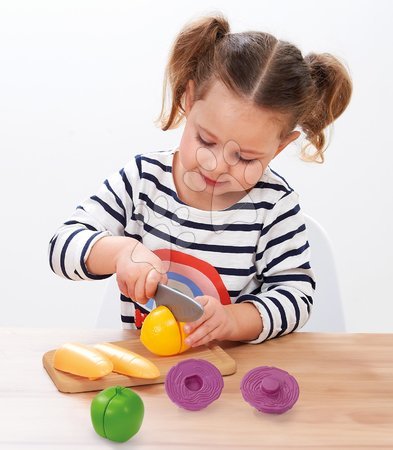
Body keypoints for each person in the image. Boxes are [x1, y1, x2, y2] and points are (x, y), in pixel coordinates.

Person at [49, 14, 352, 347]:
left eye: (246, 158)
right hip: (148, 372)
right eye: (206, 140)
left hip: (230, 376)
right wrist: (121, 252)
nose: (217, 165)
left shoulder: (274, 206)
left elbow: (296, 297)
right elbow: (62, 245)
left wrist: (235, 319)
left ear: (279, 147)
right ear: (189, 101)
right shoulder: (142, 180)